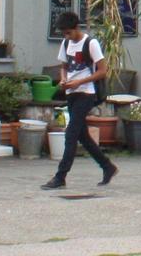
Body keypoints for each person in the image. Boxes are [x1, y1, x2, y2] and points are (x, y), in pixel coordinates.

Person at [44, 12, 117, 190]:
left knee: (71, 133)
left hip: (87, 93)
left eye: (69, 32)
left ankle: (60, 176)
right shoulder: (66, 43)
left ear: (77, 27)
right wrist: (64, 79)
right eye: (64, 33)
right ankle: (107, 166)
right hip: (71, 92)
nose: (67, 36)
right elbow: (64, 66)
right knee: (82, 136)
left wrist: (80, 82)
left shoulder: (90, 43)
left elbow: (102, 71)